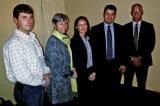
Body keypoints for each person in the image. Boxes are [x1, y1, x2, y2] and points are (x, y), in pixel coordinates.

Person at [3, 4, 51, 106]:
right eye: (24, 17)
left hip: (39, 86)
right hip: (28, 91)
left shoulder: (33, 38)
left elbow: (40, 60)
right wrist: (43, 81)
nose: (29, 21)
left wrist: (46, 73)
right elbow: (22, 76)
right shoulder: (14, 43)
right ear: (15, 20)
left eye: (31, 17)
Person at [90, 4, 127, 97]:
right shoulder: (95, 29)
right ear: (103, 14)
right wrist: (93, 68)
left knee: (115, 89)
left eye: (112, 14)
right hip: (100, 66)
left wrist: (123, 63)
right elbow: (92, 51)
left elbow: (124, 48)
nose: (110, 16)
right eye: (107, 14)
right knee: (102, 90)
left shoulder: (121, 29)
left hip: (116, 65)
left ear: (115, 16)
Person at [44, 13, 77, 106]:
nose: (64, 26)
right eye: (60, 23)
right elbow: (54, 68)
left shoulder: (63, 39)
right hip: (57, 86)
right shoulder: (53, 41)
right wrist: (71, 73)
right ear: (54, 25)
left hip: (64, 81)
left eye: (66, 23)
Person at [123, 3, 156, 96]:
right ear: (131, 12)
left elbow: (151, 45)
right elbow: (123, 46)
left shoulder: (149, 26)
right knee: (127, 85)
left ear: (142, 12)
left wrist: (140, 58)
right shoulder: (125, 28)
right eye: (134, 10)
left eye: (138, 10)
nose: (136, 12)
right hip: (128, 61)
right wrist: (132, 58)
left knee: (141, 85)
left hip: (143, 61)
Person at [71, 16, 96, 104]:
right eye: (80, 25)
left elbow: (94, 57)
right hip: (82, 74)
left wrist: (94, 72)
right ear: (76, 27)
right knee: (83, 97)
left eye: (85, 24)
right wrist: (87, 74)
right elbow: (76, 62)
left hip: (92, 71)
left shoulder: (90, 39)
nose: (83, 27)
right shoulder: (74, 41)